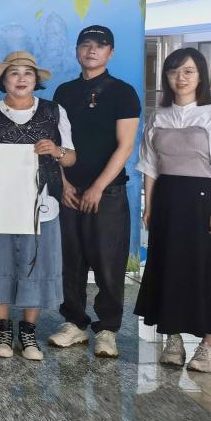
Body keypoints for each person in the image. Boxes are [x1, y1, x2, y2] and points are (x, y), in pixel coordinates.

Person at [0, 50, 76, 361]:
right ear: (4, 81)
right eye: (14, 73)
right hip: (0, 202)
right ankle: (3, 329)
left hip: (43, 202)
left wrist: (56, 150)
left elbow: (71, 157)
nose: (22, 79)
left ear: (36, 80)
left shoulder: (54, 112)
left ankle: (29, 332)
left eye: (28, 73)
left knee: (35, 264)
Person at [135, 47, 211, 373]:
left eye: (189, 71)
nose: (181, 78)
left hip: (203, 200)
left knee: (205, 269)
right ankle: (173, 339)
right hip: (166, 201)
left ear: (200, 76)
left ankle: (210, 345)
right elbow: (150, 165)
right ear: (166, 77)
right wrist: (149, 206)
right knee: (168, 267)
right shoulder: (158, 117)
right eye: (174, 71)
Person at [49, 25, 141, 358]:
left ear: (110, 53)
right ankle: (74, 323)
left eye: (100, 46)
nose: (92, 50)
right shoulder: (64, 92)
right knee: (70, 260)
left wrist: (99, 187)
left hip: (108, 192)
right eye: (86, 44)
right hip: (70, 191)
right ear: (77, 50)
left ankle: (107, 330)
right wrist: (63, 184)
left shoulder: (123, 92)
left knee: (108, 262)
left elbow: (125, 145)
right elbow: (56, 143)